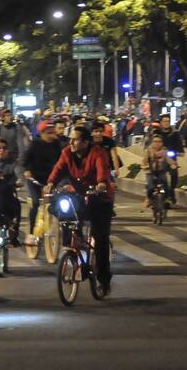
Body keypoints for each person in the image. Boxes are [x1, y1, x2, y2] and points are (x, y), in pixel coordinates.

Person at [46, 125, 114, 295]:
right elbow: (58, 168)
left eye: (75, 139)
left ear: (85, 142)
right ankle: (71, 247)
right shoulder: (67, 152)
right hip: (79, 195)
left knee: (100, 239)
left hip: (100, 198)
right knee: (64, 213)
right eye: (71, 139)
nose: (72, 142)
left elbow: (102, 170)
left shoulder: (98, 153)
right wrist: (50, 183)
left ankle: (103, 280)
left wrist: (101, 183)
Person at [22, 124, 62, 243]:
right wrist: (27, 171)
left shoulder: (56, 144)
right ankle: (31, 234)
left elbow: (61, 161)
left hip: (50, 179)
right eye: (48, 133)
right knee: (35, 202)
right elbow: (25, 160)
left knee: (57, 202)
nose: (51, 135)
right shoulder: (35, 144)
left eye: (52, 132)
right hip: (35, 178)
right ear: (42, 133)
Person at [153, 114, 185, 204]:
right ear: (161, 122)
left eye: (168, 121)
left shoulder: (175, 133)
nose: (166, 123)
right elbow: (149, 146)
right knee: (157, 179)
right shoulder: (156, 133)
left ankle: (171, 192)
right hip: (158, 159)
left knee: (174, 175)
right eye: (164, 121)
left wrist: (179, 152)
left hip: (171, 159)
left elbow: (180, 147)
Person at [143, 135, 176, 203]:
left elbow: (169, 159)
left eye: (159, 141)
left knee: (166, 185)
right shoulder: (148, 150)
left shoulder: (165, 150)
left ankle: (166, 199)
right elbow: (144, 160)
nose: (157, 143)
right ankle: (148, 198)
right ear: (152, 142)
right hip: (151, 172)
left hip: (161, 171)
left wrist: (173, 164)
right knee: (150, 187)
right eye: (155, 141)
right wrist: (144, 166)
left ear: (162, 143)